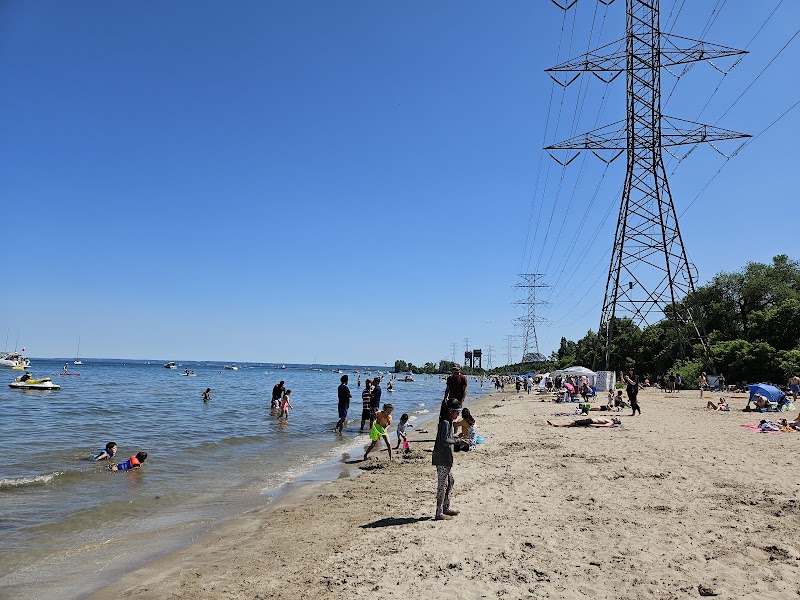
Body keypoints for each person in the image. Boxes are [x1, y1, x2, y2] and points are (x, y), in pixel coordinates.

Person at [432, 399, 461, 520]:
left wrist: (456, 437)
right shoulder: (445, 423)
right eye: (457, 412)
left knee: (451, 482)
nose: (458, 414)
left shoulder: (448, 422)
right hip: (442, 458)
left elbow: (447, 437)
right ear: (450, 411)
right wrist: (458, 440)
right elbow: (445, 440)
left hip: (446, 458)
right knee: (442, 485)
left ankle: (446, 507)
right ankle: (439, 513)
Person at [547, 417, 622, 427]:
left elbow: (605, 426)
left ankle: (556, 425)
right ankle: (558, 424)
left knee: (574, 423)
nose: (615, 417)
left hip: (591, 422)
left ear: (616, 422)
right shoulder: (609, 419)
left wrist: (594, 425)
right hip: (590, 420)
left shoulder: (611, 422)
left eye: (616, 419)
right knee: (574, 423)